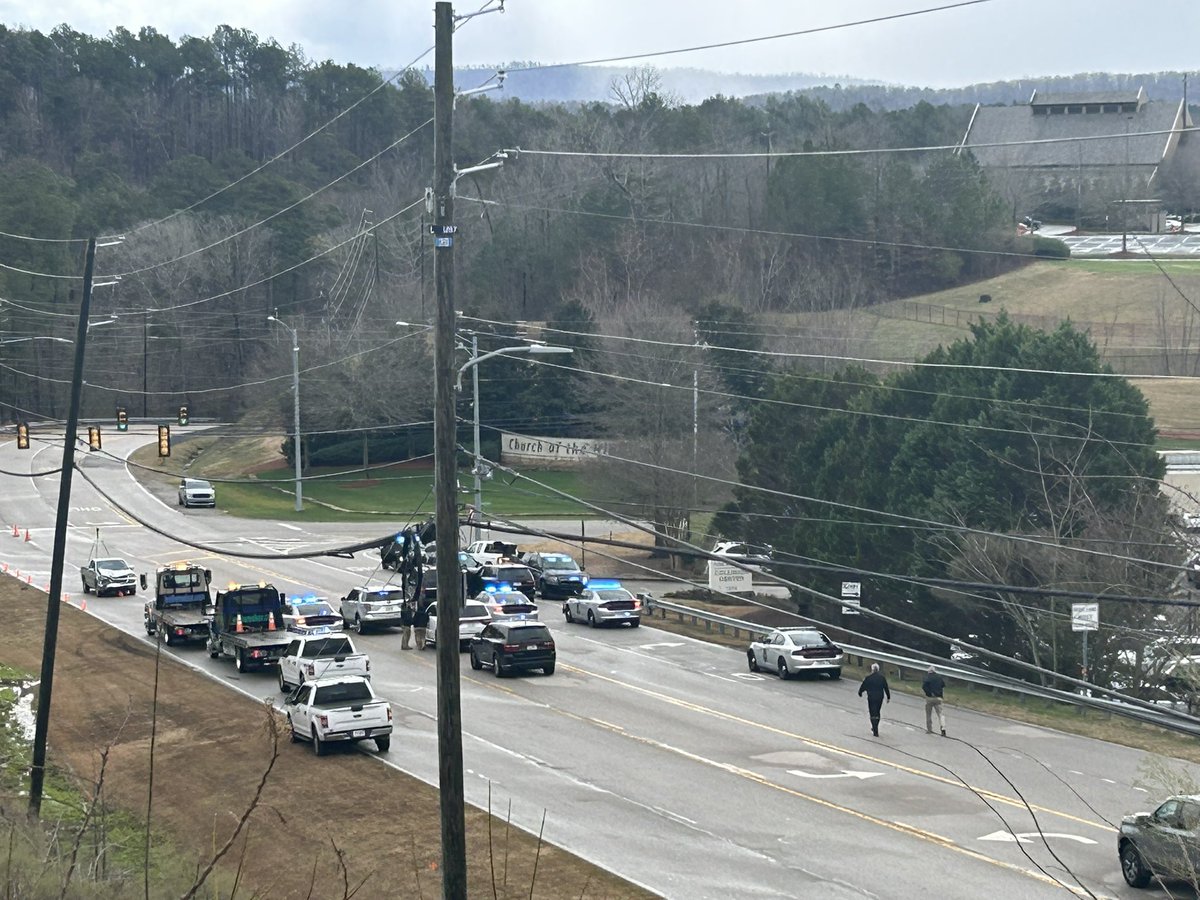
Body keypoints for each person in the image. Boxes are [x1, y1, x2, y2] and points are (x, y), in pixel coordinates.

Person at [858, 663, 891, 737]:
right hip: (879, 697)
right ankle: (876, 726)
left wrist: (860, 692)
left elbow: (863, 686)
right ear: (878, 670)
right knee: (877, 712)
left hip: (871, 697)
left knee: (872, 712)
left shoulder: (868, 678)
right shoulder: (882, 678)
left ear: (872, 670)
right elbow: (886, 687)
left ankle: (875, 728)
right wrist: (888, 697)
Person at [923, 665, 946, 736]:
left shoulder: (927, 678)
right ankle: (943, 729)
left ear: (929, 671)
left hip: (930, 698)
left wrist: (929, 693)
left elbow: (924, 687)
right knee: (940, 714)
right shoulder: (939, 677)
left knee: (928, 714)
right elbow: (943, 685)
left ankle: (929, 729)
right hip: (938, 698)